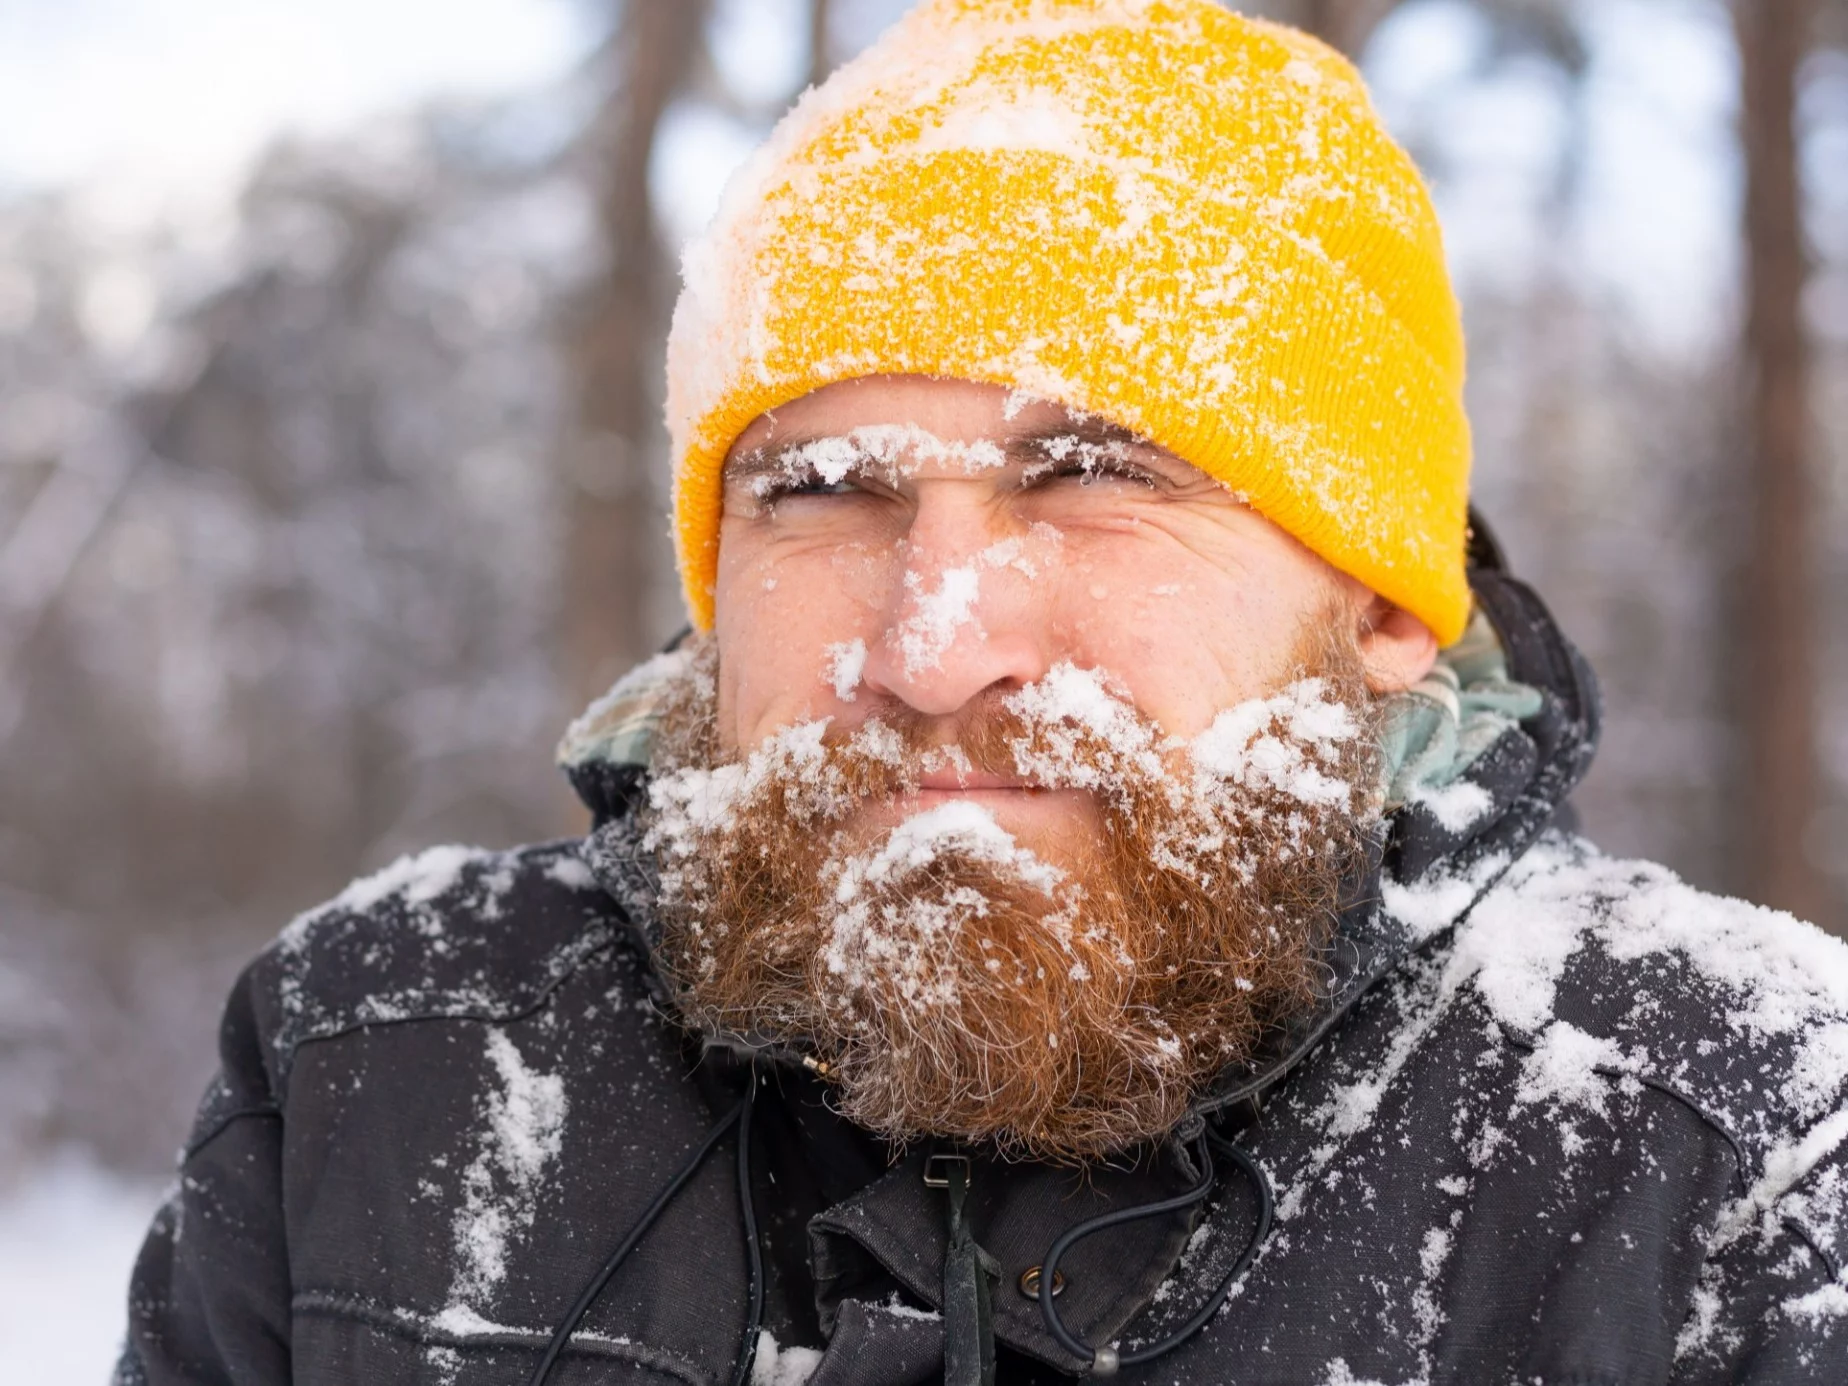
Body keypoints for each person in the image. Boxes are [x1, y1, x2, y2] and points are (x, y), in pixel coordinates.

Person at [118, 3, 1848, 1383]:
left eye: (1094, 472)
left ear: (1386, 600)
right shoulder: (372, 1067)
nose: (935, 644)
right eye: (823, 491)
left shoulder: (1739, 1161)